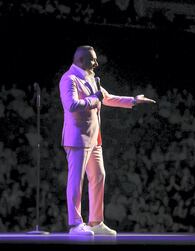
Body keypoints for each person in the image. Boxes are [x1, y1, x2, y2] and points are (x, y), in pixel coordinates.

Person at [59, 45, 156, 235]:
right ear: (80, 60)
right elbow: (71, 105)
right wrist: (94, 98)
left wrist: (133, 100)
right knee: (76, 181)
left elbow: (107, 98)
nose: (96, 63)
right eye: (92, 59)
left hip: (94, 139)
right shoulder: (69, 79)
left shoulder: (91, 78)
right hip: (77, 138)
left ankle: (96, 221)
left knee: (99, 176)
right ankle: (75, 224)